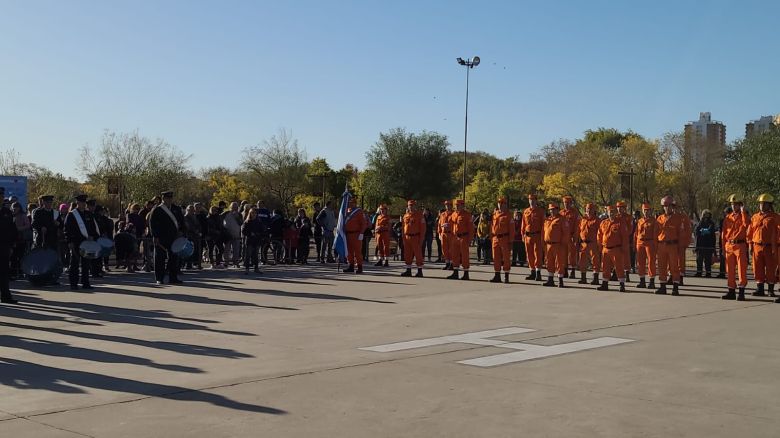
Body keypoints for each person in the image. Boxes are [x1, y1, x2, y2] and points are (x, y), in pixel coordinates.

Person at [148, 191, 185, 285]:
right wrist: (155, 236)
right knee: (159, 258)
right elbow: (152, 224)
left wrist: (182, 231)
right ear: (163, 198)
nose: (169, 200)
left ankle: (173, 277)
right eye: (167, 198)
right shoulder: (157, 209)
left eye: (170, 198)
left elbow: (181, 221)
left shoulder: (176, 209)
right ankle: (159, 278)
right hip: (161, 237)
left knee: (174, 258)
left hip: (174, 236)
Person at [64, 194, 98, 290]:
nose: (83, 204)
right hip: (76, 242)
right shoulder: (72, 214)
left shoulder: (88, 214)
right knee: (74, 263)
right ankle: (73, 283)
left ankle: (85, 282)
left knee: (86, 263)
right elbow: (67, 229)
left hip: (86, 242)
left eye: (84, 202)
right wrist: (69, 241)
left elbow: (92, 228)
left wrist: (92, 236)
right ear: (77, 203)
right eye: (81, 202)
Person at [747, 193, 777, 297]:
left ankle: (770, 290)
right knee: (757, 268)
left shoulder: (775, 217)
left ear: (769, 205)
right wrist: (750, 245)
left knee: (770, 268)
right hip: (756, 246)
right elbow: (750, 233)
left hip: (769, 247)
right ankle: (760, 289)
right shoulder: (755, 217)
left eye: (765, 204)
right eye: (760, 203)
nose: (762, 206)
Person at [721, 195, 749, 301]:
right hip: (729, 245)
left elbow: (747, 224)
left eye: (736, 204)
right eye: (732, 204)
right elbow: (723, 234)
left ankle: (741, 292)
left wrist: (743, 212)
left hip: (740, 245)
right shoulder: (728, 218)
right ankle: (731, 291)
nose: (733, 206)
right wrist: (723, 248)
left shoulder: (743, 216)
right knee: (730, 270)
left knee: (741, 269)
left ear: (740, 205)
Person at [655, 196, 685, 296]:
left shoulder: (678, 219)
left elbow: (681, 234)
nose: (667, 208)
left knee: (674, 267)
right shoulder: (659, 218)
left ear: (672, 206)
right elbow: (656, 233)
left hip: (673, 245)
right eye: (665, 206)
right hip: (661, 245)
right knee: (661, 267)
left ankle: (675, 287)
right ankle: (662, 286)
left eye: (669, 206)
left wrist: (681, 247)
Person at [596, 205, 629, 292]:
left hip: (616, 249)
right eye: (610, 212)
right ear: (607, 213)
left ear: (616, 213)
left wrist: (624, 248)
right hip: (605, 249)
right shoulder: (603, 223)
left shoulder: (620, 223)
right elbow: (599, 235)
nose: (611, 213)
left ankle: (622, 285)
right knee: (605, 267)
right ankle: (605, 284)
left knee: (619, 267)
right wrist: (599, 247)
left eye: (613, 212)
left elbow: (625, 237)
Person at [543, 203, 569, 288]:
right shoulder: (547, 220)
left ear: (557, 209)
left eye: (554, 209)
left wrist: (563, 243)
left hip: (558, 244)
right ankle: (550, 279)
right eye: (551, 209)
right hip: (548, 244)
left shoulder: (562, 219)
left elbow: (566, 233)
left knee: (559, 262)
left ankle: (560, 280)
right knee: (549, 262)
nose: (552, 211)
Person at [0, 189, 19, 303]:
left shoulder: (6, 211)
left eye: (2, 196)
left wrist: (12, 244)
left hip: (4, 246)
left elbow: (12, 230)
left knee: (4, 272)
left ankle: (6, 296)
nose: (1, 198)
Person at [446, 199, 473, 280]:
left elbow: (471, 229)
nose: (457, 206)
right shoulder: (454, 214)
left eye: (458, 205)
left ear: (462, 205)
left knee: (465, 255)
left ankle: (466, 273)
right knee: (455, 255)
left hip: (464, 237)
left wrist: (470, 239)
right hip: (455, 237)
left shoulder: (467, 215)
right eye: (456, 205)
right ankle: (455, 272)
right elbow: (451, 225)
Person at [490, 197, 514, 283]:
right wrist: (491, 237)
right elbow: (492, 226)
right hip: (495, 238)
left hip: (505, 238)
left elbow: (512, 229)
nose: (500, 205)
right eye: (499, 203)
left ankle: (506, 276)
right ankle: (497, 275)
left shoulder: (508, 215)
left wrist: (511, 241)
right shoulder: (495, 214)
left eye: (502, 203)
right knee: (495, 257)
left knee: (506, 258)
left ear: (505, 205)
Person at [522, 194, 545, 281]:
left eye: (533, 199)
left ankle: (538, 273)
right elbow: (523, 224)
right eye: (530, 199)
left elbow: (544, 225)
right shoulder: (526, 211)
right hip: (528, 236)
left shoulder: (540, 211)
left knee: (537, 254)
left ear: (536, 200)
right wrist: (523, 234)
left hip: (537, 235)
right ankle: (532, 272)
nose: (531, 201)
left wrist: (543, 236)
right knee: (529, 254)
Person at [577, 203, 602, 285]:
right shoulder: (583, 219)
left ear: (594, 210)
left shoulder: (597, 220)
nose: (589, 211)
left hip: (593, 243)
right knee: (582, 261)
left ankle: (596, 279)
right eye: (587, 209)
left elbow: (601, 233)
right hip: (583, 243)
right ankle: (583, 278)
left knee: (595, 261)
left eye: (590, 209)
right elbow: (580, 230)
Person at [635, 203, 658, 289]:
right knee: (640, 263)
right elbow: (636, 233)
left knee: (651, 262)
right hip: (640, 243)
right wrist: (636, 244)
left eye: (648, 210)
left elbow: (655, 234)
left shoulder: (654, 221)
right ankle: (642, 281)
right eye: (645, 210)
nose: (646, 212)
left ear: (650, 211)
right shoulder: (640, 221)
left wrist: (655, 246)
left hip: (650, 243)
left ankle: (651, 282)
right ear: (642, 211)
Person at [343, 197, 367, 273]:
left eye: (351, 202)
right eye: (349, 203)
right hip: (348, 234)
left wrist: (361, 233)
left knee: (357, 251)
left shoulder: (359, 211)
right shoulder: (346, 211)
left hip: (356, 234)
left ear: (355, 203)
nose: (350, 204)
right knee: (349, 252)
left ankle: (359, 267)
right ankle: (351, 265)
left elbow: (363, 223)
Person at [560, 196, 581, 279]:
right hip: (563, 236)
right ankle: (565, 270)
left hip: (571, 236)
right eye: (565, 203)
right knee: (563, 254)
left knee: (572, 254)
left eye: (568, 203)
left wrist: (575, 237)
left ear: (571, 203)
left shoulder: (575, 213)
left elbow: (577, 226)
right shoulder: (561, 212)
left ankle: (572, 270)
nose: (566, 204)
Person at [10, 202, 31, 280]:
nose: (15, 209)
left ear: (20, 208)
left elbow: (28, 225)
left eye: (16, 207)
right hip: (12, 239)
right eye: (13, 207)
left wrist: (20, 228)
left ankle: (21, 272)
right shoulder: (10, 215)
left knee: (21, 256)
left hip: (21, 238)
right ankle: (13, 272)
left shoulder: (23, 215)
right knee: (13, 257)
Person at [694, 209, 717, 277]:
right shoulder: (700, 222)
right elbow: (697, 231)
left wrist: (703, 231)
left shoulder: (711, 223)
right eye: (705, 215)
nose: (706, 217)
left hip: (708, 244)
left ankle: (708, 273)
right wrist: (704, 231)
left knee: (708, 260)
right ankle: (699, 272)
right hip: (700, 244)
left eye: (707, 215)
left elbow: (710, 231)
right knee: (699, 260)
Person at [242, 207, 264, 274]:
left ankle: (256, 268)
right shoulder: (247, 221)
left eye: (254, 213)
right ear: (250, 213)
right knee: (248, 255)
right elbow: (243, 231)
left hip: (257, 240)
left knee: (256, 255)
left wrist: (258, 234)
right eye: (252, 213)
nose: (253, 214)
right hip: (249, 240)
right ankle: (247, 268)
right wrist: (250, 233)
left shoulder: (259, 221)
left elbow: (262, 230)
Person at [615, 201, 633, 282]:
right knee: (616, 258)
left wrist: (624, 235)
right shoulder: (615, 217)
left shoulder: (628, 217)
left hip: (625, 240)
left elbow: (630, 229)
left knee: (626, 258)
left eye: (621, 207)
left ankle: (627, 274)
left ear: (624, 208)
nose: (619, 209)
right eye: (618, 207)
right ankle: (615, 274)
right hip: (616, 241)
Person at [222, 202, 243, 268]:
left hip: (236, 234)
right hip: (227, 235)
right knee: (226, 249)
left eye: (236, 207)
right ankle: (226, 262)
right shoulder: (226, 213)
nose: (235, 208)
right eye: (233, 207)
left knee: (236, 249)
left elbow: (241, 223)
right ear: (230, 207)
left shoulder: (239, 214)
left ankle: (236, 262)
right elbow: (219, 219)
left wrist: (237, 217)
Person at [184, 205, 203, 270]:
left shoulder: (194, 217)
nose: (192, 211)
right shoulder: (185, 217)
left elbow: (198, 225)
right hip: (189, 236)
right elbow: (188, 226)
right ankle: (188, 264)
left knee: (195, 251)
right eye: (190, 210)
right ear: (187, 210)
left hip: (195, 236)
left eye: (193, 210)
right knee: (189, 251)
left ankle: (194, 264)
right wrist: (195, 231)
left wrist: (199, 231)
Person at [438, 200, 454, 270]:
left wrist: (449, 225)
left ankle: (452, 263)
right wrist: (439, 233)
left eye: (449, 205)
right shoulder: (442, 214)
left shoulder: (454, 214)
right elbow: (439, 224)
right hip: (443, 234)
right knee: (444, 249)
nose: (448, 206)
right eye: (446, 205)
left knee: (451, 250)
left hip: (451, 234)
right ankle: (447, 263)